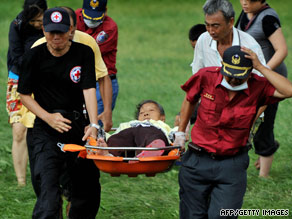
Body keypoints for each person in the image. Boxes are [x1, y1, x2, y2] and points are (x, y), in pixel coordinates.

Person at [174, 45, 292, 219]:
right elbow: (189, 99)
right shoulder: (206, 76)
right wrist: (181, 133)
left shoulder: (258, 86)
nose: (234, 80)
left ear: (250, 72)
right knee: (192, 215)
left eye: (240, 76)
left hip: (232, 164)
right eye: (229, 74)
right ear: (222, 65)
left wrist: (260, 67)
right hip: (197, 161)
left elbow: (288, 91)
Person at [17, 8, 100, 218]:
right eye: (51, 32)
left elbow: (89, 88)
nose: (56, 38)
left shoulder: (84, 53)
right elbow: (24, 95)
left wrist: (93, 125)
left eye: (61, 32)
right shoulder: (33, 56)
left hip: (77, 127)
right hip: (46, 129)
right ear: (44, 30)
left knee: (87, 189)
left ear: (71, 30)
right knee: (48, 190)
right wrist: (48, 117)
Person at [235, 0, 288, 177]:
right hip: (251, 78)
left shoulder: (268, 18)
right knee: (247, 119)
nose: (244, 2)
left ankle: (264, 176)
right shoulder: (244, 14)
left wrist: (263, 72)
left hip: (270, 79)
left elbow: (281, 50)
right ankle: (268, 147)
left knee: (263, 123)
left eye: (249, 0)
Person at [6, 0, 47, 186]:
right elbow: (16, 55)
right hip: (19, 79)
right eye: (35, 21)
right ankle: (21, 182)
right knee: (19, 130)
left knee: (41, 129)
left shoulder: (51, 25)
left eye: (41, 19)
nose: (39, 24)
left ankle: (43, 176)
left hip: (44, 80)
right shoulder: (17, 25)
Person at [191, 0, 266, 76]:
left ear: (231, 22)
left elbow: (261, 80)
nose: (211, 31)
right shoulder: (203, 40)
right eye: (207, 25)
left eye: (215, 26)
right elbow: (197, 75)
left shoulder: (250, 45)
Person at [76, 0, 119, 121]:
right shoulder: (74, 18)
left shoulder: (110, 28)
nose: (91, 21)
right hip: (78, 78)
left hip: (101, 82)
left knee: (93, 124)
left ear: (105, 11)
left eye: (95, 18)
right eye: (88, 17)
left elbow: (88, 52)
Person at [98, 100, 178, 157]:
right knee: (119, 138)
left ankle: (151, 150)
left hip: (152, 135)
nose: (146, 114)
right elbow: (117, 134)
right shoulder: (131, 124)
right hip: (130, 145)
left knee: (155, 136)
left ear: (162, 118)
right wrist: (102, 136)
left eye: (151, 111)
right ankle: (110, 154)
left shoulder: (161, 125)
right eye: (141, 113)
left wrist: (179, 133)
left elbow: (175, 132)